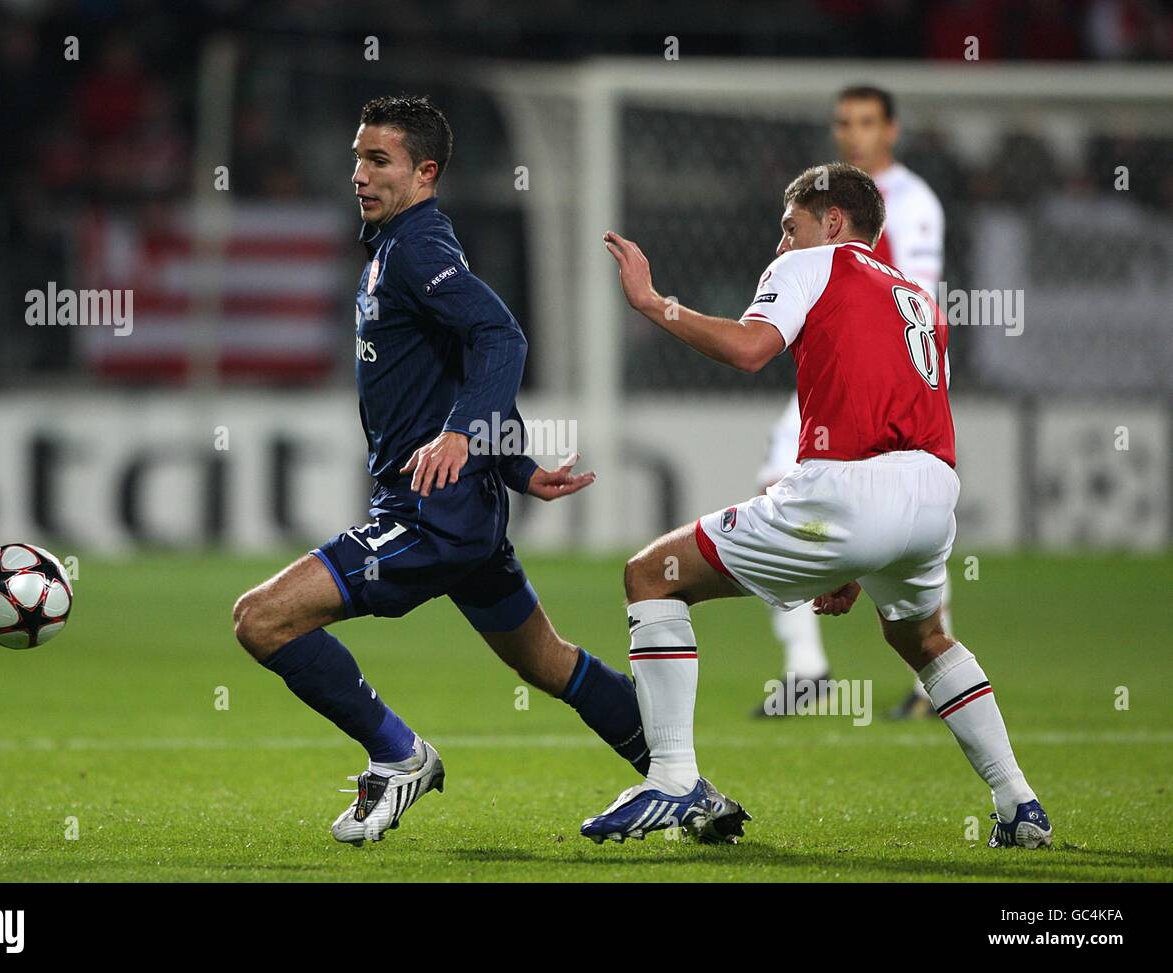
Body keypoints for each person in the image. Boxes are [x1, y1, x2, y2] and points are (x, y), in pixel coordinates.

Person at [232, 95, 745, 845]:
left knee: (261, 618)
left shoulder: (417, 251)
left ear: (425, 171)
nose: (359, 175)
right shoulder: (395, 248)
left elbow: (500, 335)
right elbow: (461, 364)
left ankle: (397, 753)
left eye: (378, 161)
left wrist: (465, 437)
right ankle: (686, 785)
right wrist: (516, 464)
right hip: (459, 509)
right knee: (550, 660)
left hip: (428, 515)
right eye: (356, 158)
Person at [582, 162, 1050, 850]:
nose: (780, 245)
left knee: (651, 575)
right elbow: (892, 406)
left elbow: (749, 350)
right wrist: (860, 552)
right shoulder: (914, 297)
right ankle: (1018, 801)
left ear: (832, 222)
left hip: (848, 491)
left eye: (789, 227)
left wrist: (657, 305)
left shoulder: (813, 265)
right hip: (929, 495)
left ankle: (675, 776)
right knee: (919, 636)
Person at [754, 84, 949, 720]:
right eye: (844, 122)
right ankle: (807, 670)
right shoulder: (826, 201)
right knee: (777, 488)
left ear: (890, 130)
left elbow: (914, 296)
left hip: (882, 372)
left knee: (911, 527)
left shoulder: (912, 202)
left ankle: (928, 674)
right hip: (830, 368)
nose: (854, 134)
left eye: (867, 122)